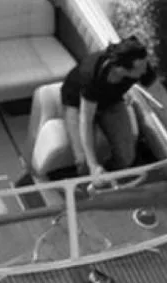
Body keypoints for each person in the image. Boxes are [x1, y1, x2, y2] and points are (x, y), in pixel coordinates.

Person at [60, 37, 157, 179]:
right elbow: (86, 121)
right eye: (141, 68)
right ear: (121, 69)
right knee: (83, 162)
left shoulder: (141, 65)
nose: (145, 70)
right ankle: (89, 184)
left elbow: (160, 96)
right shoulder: (92, 74)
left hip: (111, 101)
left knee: (126, 158)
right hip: (78, 104)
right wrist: (93, 165)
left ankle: (109, 176)